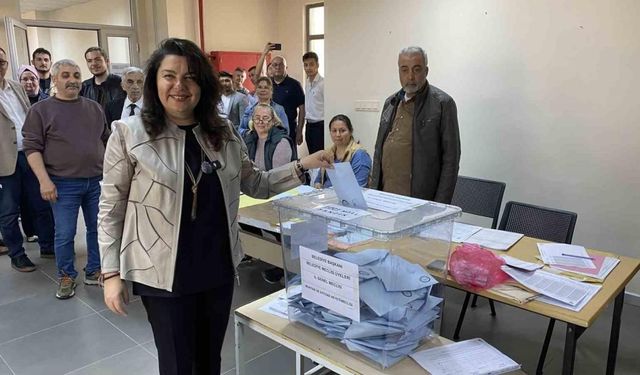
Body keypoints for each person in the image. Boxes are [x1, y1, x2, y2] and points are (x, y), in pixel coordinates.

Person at [98, 38, 332, 375]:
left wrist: (303, 165)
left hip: (216, 268)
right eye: (169, 76)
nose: (180, 86)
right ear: (155, 82)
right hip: (163, 274)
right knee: (178, 364)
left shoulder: (221, 131)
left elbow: (258, 183)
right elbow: (111, 208)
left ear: (203, 85)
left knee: (210, 362)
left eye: (190, 77)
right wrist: (110, 273)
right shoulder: (128, 134)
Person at [23, 59, 109, 299]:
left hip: (96, 181)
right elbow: (32, 149)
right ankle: (66, 275)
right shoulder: (40, 110)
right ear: (54, 79)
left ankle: (94, 270)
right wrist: (44, 181)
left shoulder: (94, 107)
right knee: (65, 233)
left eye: (76, 75)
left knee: (98, 229)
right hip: (62, 184)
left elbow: (105, 139)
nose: (72, 80)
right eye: (66, 75)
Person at [370, 46, 460, 204]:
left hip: (420, 201)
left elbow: (451, 161)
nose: (410, 76)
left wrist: (439, 206)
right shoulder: (390, 103)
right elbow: (379, 151)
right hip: (386, 197)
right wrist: (373, 193)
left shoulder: (442, 104)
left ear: (426, 71)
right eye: (404, 70)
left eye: (416, 70)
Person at [0, 47, 55, 271]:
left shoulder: (15, 86)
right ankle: (17, 254)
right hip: (4, 161)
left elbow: (28, 116)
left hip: (30, 155)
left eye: (2, 61)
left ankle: (48, 245)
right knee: (9, 211)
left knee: (41, 203)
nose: (0, 65)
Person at [18, 64, 51, 243]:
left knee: (44, 200)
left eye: (33, 79)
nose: (29, 82)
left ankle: (48, 238)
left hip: (47, 153)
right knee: (28, 197)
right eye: (25, 79)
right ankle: (31, 231)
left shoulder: (47, 101)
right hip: (25, 154)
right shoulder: (17, 102)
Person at [314, 114, 371, 188]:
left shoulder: (359, 155)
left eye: (342, 131)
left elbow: (359, 188)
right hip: (325, 195)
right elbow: (319, 179)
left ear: (350, 132)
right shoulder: (328, 152)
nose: (338, 135)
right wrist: (317, 185)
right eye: (334, 131)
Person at [243, 104, 294, 171]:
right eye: (257, 118)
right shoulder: (248, 139)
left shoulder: (282, 142)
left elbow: (278, 176)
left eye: (265, 118)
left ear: (273, 121)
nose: (260, 121)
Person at [301, 52, 325, 154]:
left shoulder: (323, 83)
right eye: (306, 65)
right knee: (312, 155)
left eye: (311, 64)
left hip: (320, 126)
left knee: (319, 157)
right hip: (309, 125)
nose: (308, 68)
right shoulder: (307, 82)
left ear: (317, 65)